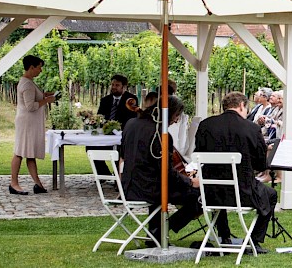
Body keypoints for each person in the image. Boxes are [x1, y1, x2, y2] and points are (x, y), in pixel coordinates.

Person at [194, 92, 278, 249]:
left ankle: (224, 235)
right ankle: (254, 240)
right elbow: (261, 165)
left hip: (211, 193)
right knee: (271, 195)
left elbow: (199, 153)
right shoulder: (252, 128)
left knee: (221, 190)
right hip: (243, 193)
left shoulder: (206, 125)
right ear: (241, 105)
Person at [119, 95, 202, 244]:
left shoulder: (130, 124)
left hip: (128, 186)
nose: (176, 120)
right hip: (150, 190)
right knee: (201, 196)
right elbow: (167, 172)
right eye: (176, 116)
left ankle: (155, 234)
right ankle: (163, 229)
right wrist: (190, 182)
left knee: (163, 185)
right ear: (169, 113)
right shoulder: (161, 134)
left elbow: (123, 155)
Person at [9, 55, 56, 195]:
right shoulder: (27, 84)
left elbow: (34, 97)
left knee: (29, 153)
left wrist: (44, 95)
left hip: (29, 123)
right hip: (27, 123)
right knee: (20, 152)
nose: (40, 70)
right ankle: (14, 183)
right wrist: (47, 100)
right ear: (31, 67)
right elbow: (30, 106)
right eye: (39, 67)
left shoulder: (28, 82)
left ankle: (38, 184)